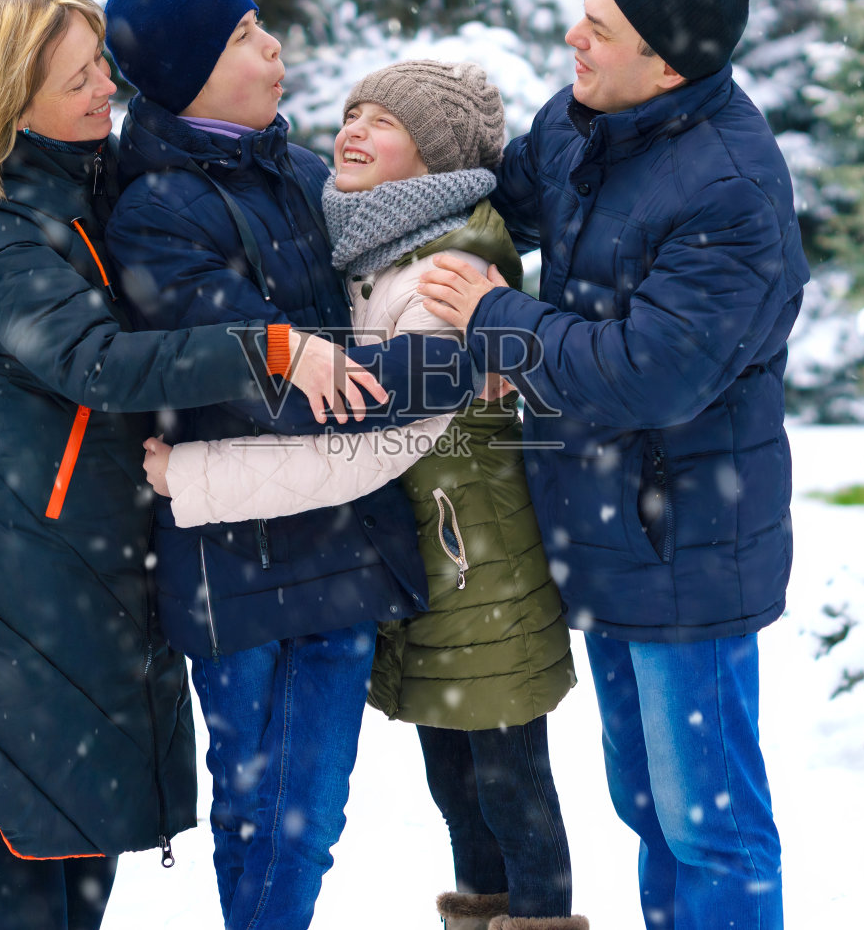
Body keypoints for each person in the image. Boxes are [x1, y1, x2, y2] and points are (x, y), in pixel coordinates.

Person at [0, 0, 389, 930]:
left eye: (102, 66)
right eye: (77, 78)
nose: (105, 90)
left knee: (87, 811)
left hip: (94, 535)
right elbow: (90, 360)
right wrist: (270, 346)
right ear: (13, 100)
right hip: (15, 544)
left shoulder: (89, 175)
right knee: (26, 816)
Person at [420, 0, 809, 930]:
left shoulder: (729, 186)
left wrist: (498, 316)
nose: (570, 37)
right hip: (608, 528)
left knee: (708, 824)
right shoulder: (585, 121)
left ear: (667, 66)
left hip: (687, 539)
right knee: (648, 806)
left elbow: (651, 372)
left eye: (598, 29)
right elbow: (491, 199)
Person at [142, 61, 585, 930]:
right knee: (462, 792)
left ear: (436, 156)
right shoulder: (372, 243)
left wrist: (190, 476)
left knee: (511, 789)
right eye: (351, 111)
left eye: (383, 121)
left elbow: (371, 445)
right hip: (430, 561)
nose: (351, 130)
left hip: (477, 569)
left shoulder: (440, 273)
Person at [100, 0, 480, 930]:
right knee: (260, 809)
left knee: (308, 815)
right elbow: (273, 381)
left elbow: (414, 256)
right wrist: (437, 374)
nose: (272, 48)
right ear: (187, 74)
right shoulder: (155, 209)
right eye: (241, 38)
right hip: (237, 555)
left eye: (263, 26)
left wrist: (469, 330)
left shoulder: (306, 172)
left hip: (344, 537)